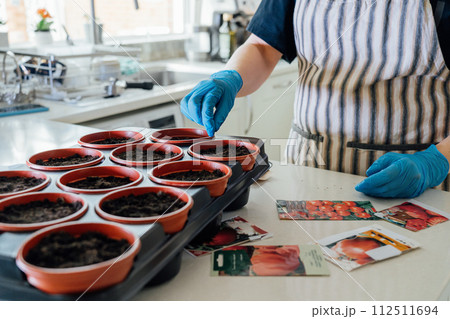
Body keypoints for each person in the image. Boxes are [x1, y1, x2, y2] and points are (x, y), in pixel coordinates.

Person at [181, 0, 450, 198]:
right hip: (308, 173)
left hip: (415, 184)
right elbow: (263, 47)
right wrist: (231, 76)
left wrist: (434, 162)